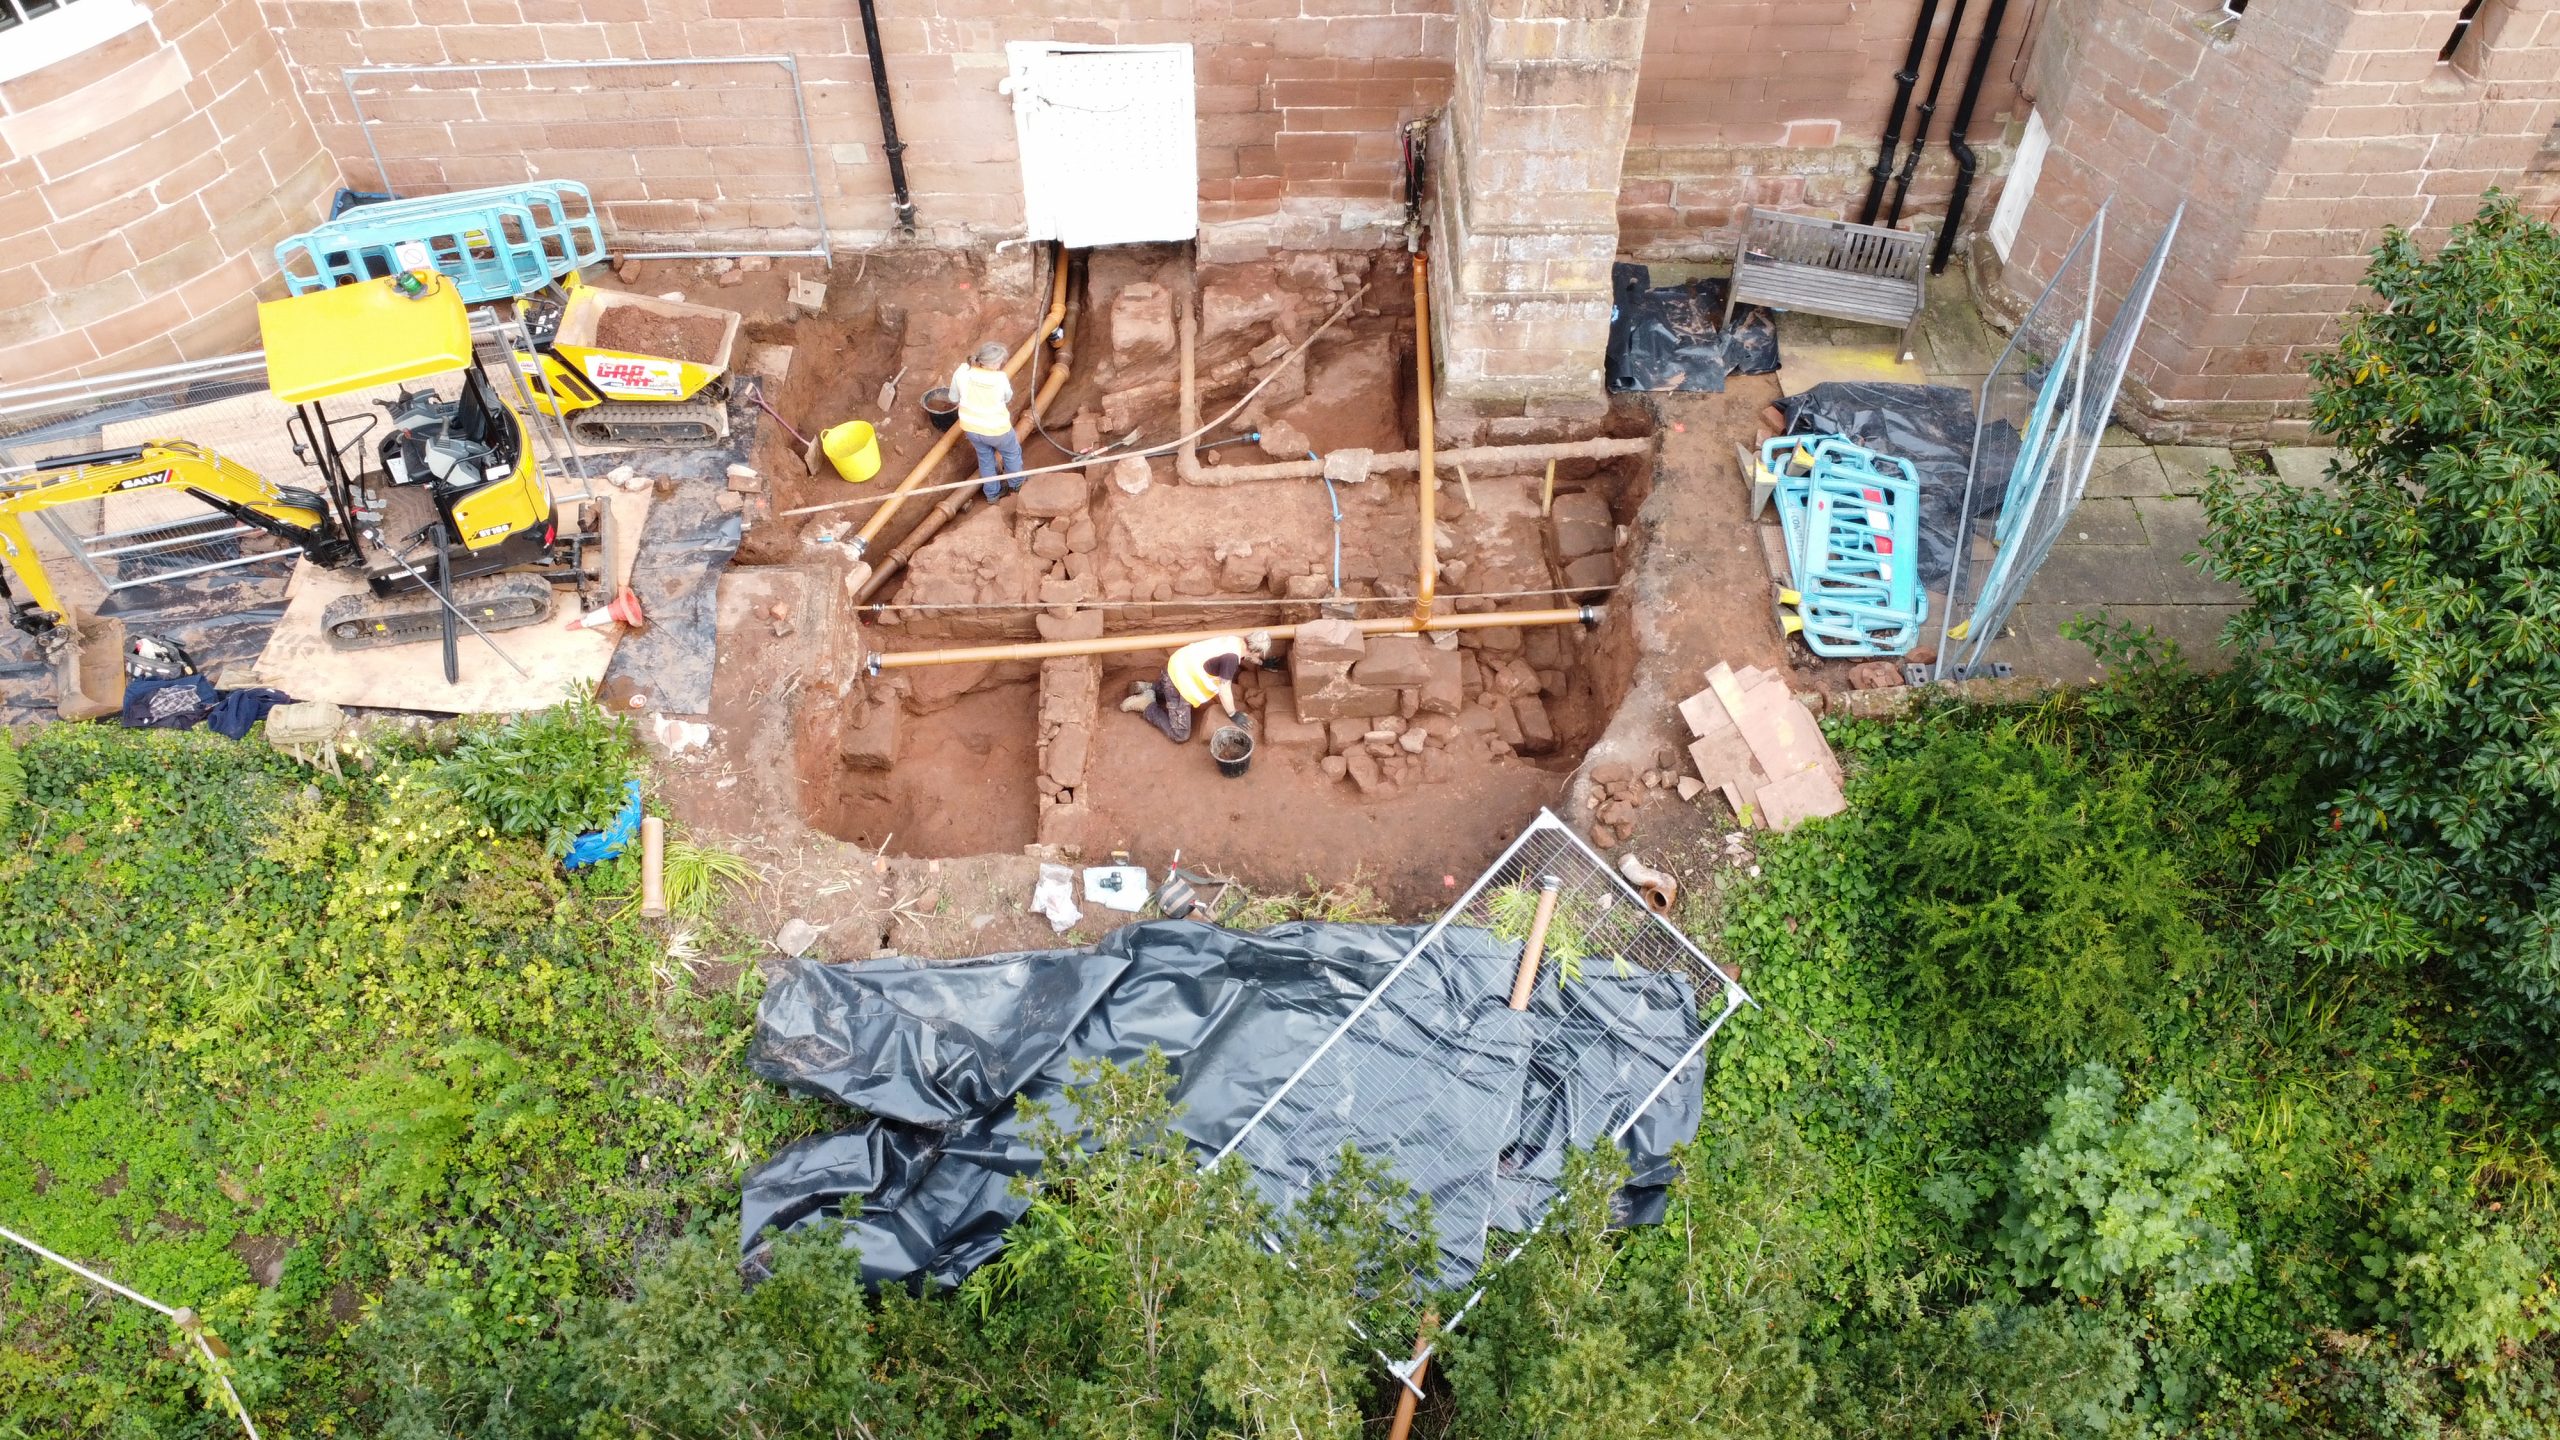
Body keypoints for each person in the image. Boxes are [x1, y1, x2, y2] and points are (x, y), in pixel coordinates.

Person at [1121, 630, 1273, 743]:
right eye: (1260, 655)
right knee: (1180, 734)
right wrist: (1233, 714)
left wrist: (1262, 663)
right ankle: (1147, 704)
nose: (1258, 657)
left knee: (1169, 686)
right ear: (1254, 650)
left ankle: (1149, 687)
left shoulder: (1235, 641)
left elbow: (1247, 654)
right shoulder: (1231, 659)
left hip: (1175, 666)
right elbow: (1224, 689)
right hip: (1180, 683)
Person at [951, 341, 1023, 502]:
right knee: (1011, 454)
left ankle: (992, 494)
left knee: (985, 459)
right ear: (993, 363)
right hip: (998, 429)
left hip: (971, 429)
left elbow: (953, 398)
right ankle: (1016, 485)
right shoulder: (1000, 378)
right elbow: (1008, 397)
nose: (1000, 365)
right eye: (999, 362)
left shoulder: (962, 372)